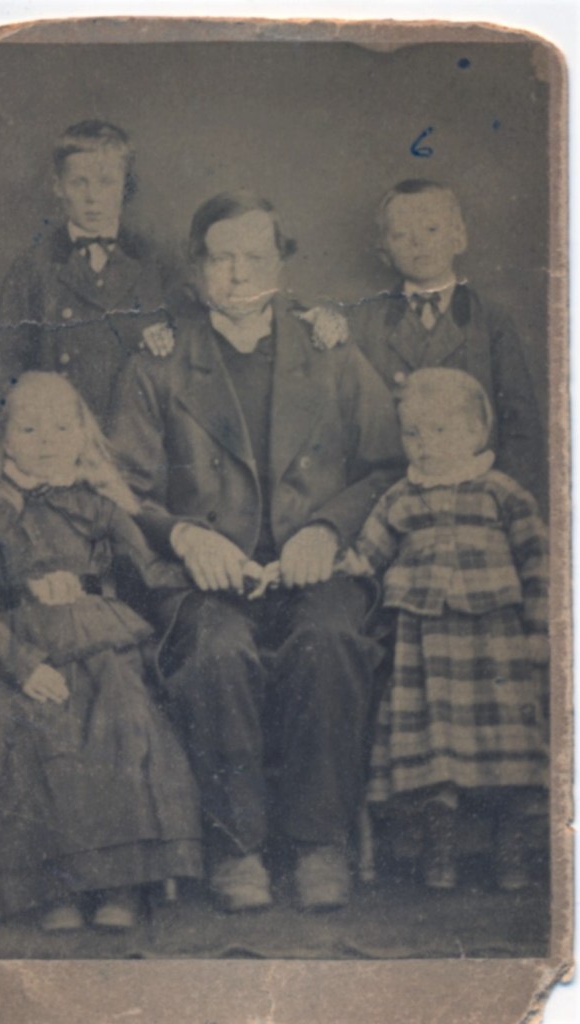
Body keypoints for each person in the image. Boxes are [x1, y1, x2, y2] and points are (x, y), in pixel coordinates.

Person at [111, 191, 404, 912]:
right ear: (196, 268)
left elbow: (387, 465)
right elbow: (118, 488)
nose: (239, 274)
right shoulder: (158, 363)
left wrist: (327, 529)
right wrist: (184, 535)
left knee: (329, 638)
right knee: (216, 651)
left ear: (281, 263)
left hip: (317, 570)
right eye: (222, 259)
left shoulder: (331, 352)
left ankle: (317, 843)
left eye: (255, 257)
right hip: (202, 580)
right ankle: (236, 849)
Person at [0, 372, 201, 932]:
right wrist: (21, 664)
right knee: (38, 729)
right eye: (29, 429)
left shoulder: (97, 505)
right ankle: (57, 886)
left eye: (60, 428)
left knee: (123, 715)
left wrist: (218, 572)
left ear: (82, 435)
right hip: (24, 647)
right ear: (4, 438)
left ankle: (121, 883)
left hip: (101, 639)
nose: (46, 441)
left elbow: (151, 570)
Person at [339, 368, 548, 891]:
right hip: (425, 642)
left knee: (506, 743)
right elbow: (370, 548)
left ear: (476, 432)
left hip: (495, 642)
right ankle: (440, 847)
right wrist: (356, 561)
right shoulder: (401, 497)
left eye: (439, 431)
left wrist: (539, 629)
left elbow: (538, 563)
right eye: (413, 433)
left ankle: (512, 849)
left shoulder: (503, 493)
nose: (424, 446)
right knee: (437, 747)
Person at [350, 178, 545, 506]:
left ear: (458, 237)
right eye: (401, 234)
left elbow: (521, 427)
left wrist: (499, 500)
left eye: (431, 229)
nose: (418, 243)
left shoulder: (490, 320)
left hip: (478, 495)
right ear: (384, 251)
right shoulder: (365, 323)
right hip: (393, 500)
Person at [0, 120, 170, 430]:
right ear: (58, 186)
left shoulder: (157, 262)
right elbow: (3, 370)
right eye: (79, 183)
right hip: (60, 438)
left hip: (137, 437)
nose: (92, 197)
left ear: (125, 186)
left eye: (106, 182)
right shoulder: (33, 268)